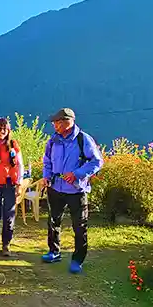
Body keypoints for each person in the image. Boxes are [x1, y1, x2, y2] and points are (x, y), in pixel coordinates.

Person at [41, 108, 104, 273]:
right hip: (55, 188)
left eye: (57, 122)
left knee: (79, 226)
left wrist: (77, 174)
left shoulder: (83, 140)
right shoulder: (53, 141)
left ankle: (77, 260)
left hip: (77, 191)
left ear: (67, 122)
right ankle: (54, 252)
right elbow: (47, 160)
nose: (54, 125)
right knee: (53, 221)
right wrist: (47, 176)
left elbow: (97, 162)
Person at [0, 117, 24, 257]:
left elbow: (20, 165)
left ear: (9, 131)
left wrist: (19, 184)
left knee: (9, 215)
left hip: (10, 184)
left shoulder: (13, 144)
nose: (2, 131)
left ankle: (6, 244)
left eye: (5, 129)